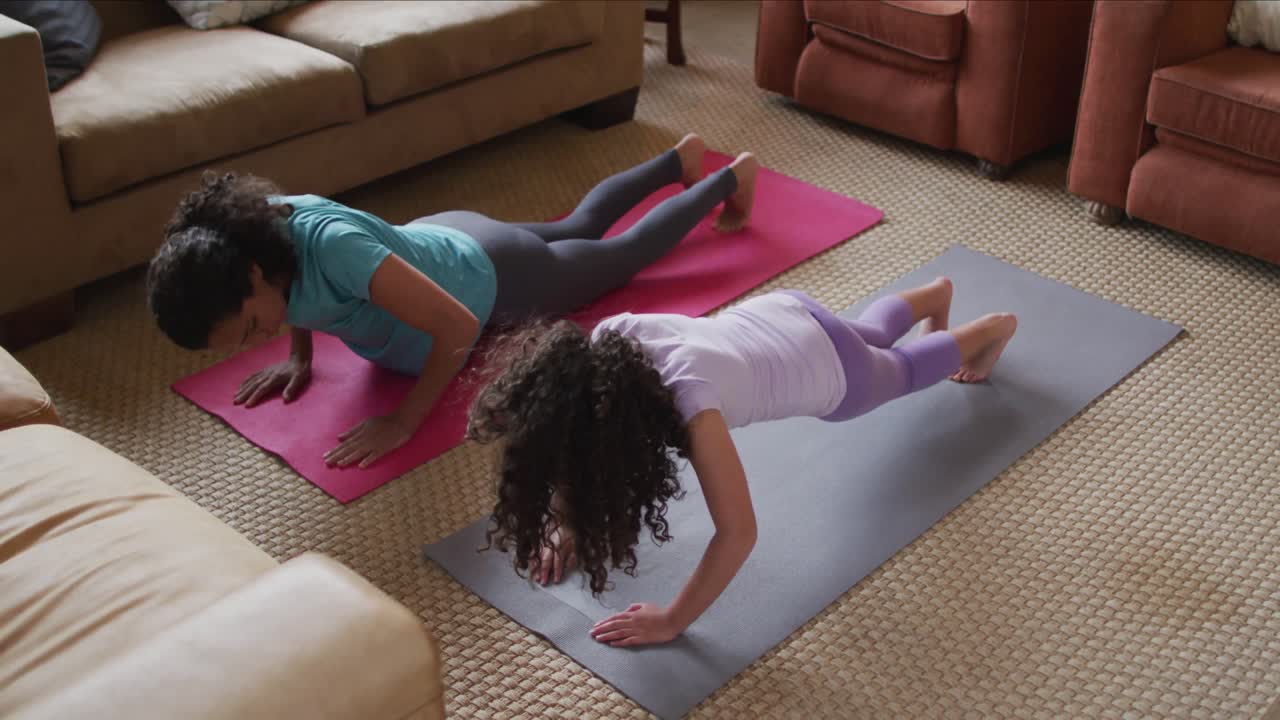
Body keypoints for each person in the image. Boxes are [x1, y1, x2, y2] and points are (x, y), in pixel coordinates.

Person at [146, 134, 758, 468]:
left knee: (620, 256)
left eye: (254, 327)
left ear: (255, 273)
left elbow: (459, 326)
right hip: (441, 242)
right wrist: (299, 356)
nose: (258, 339)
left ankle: (731, 177)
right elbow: (290, 298)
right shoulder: (258, 246)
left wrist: (404, 420)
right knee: (576, 226)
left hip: (492, 276)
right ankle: (678, 158)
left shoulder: (333, 250)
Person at [467, 277, 1017, 647]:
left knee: (897, 372)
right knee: (866, 334)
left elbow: (739, 533)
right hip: (782, 312)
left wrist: (672, 619)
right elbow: (577, 454)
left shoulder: (692, 405)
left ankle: (987, 331)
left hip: (828, 374)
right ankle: (933, 294)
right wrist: (566, 525)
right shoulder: (609, 341)